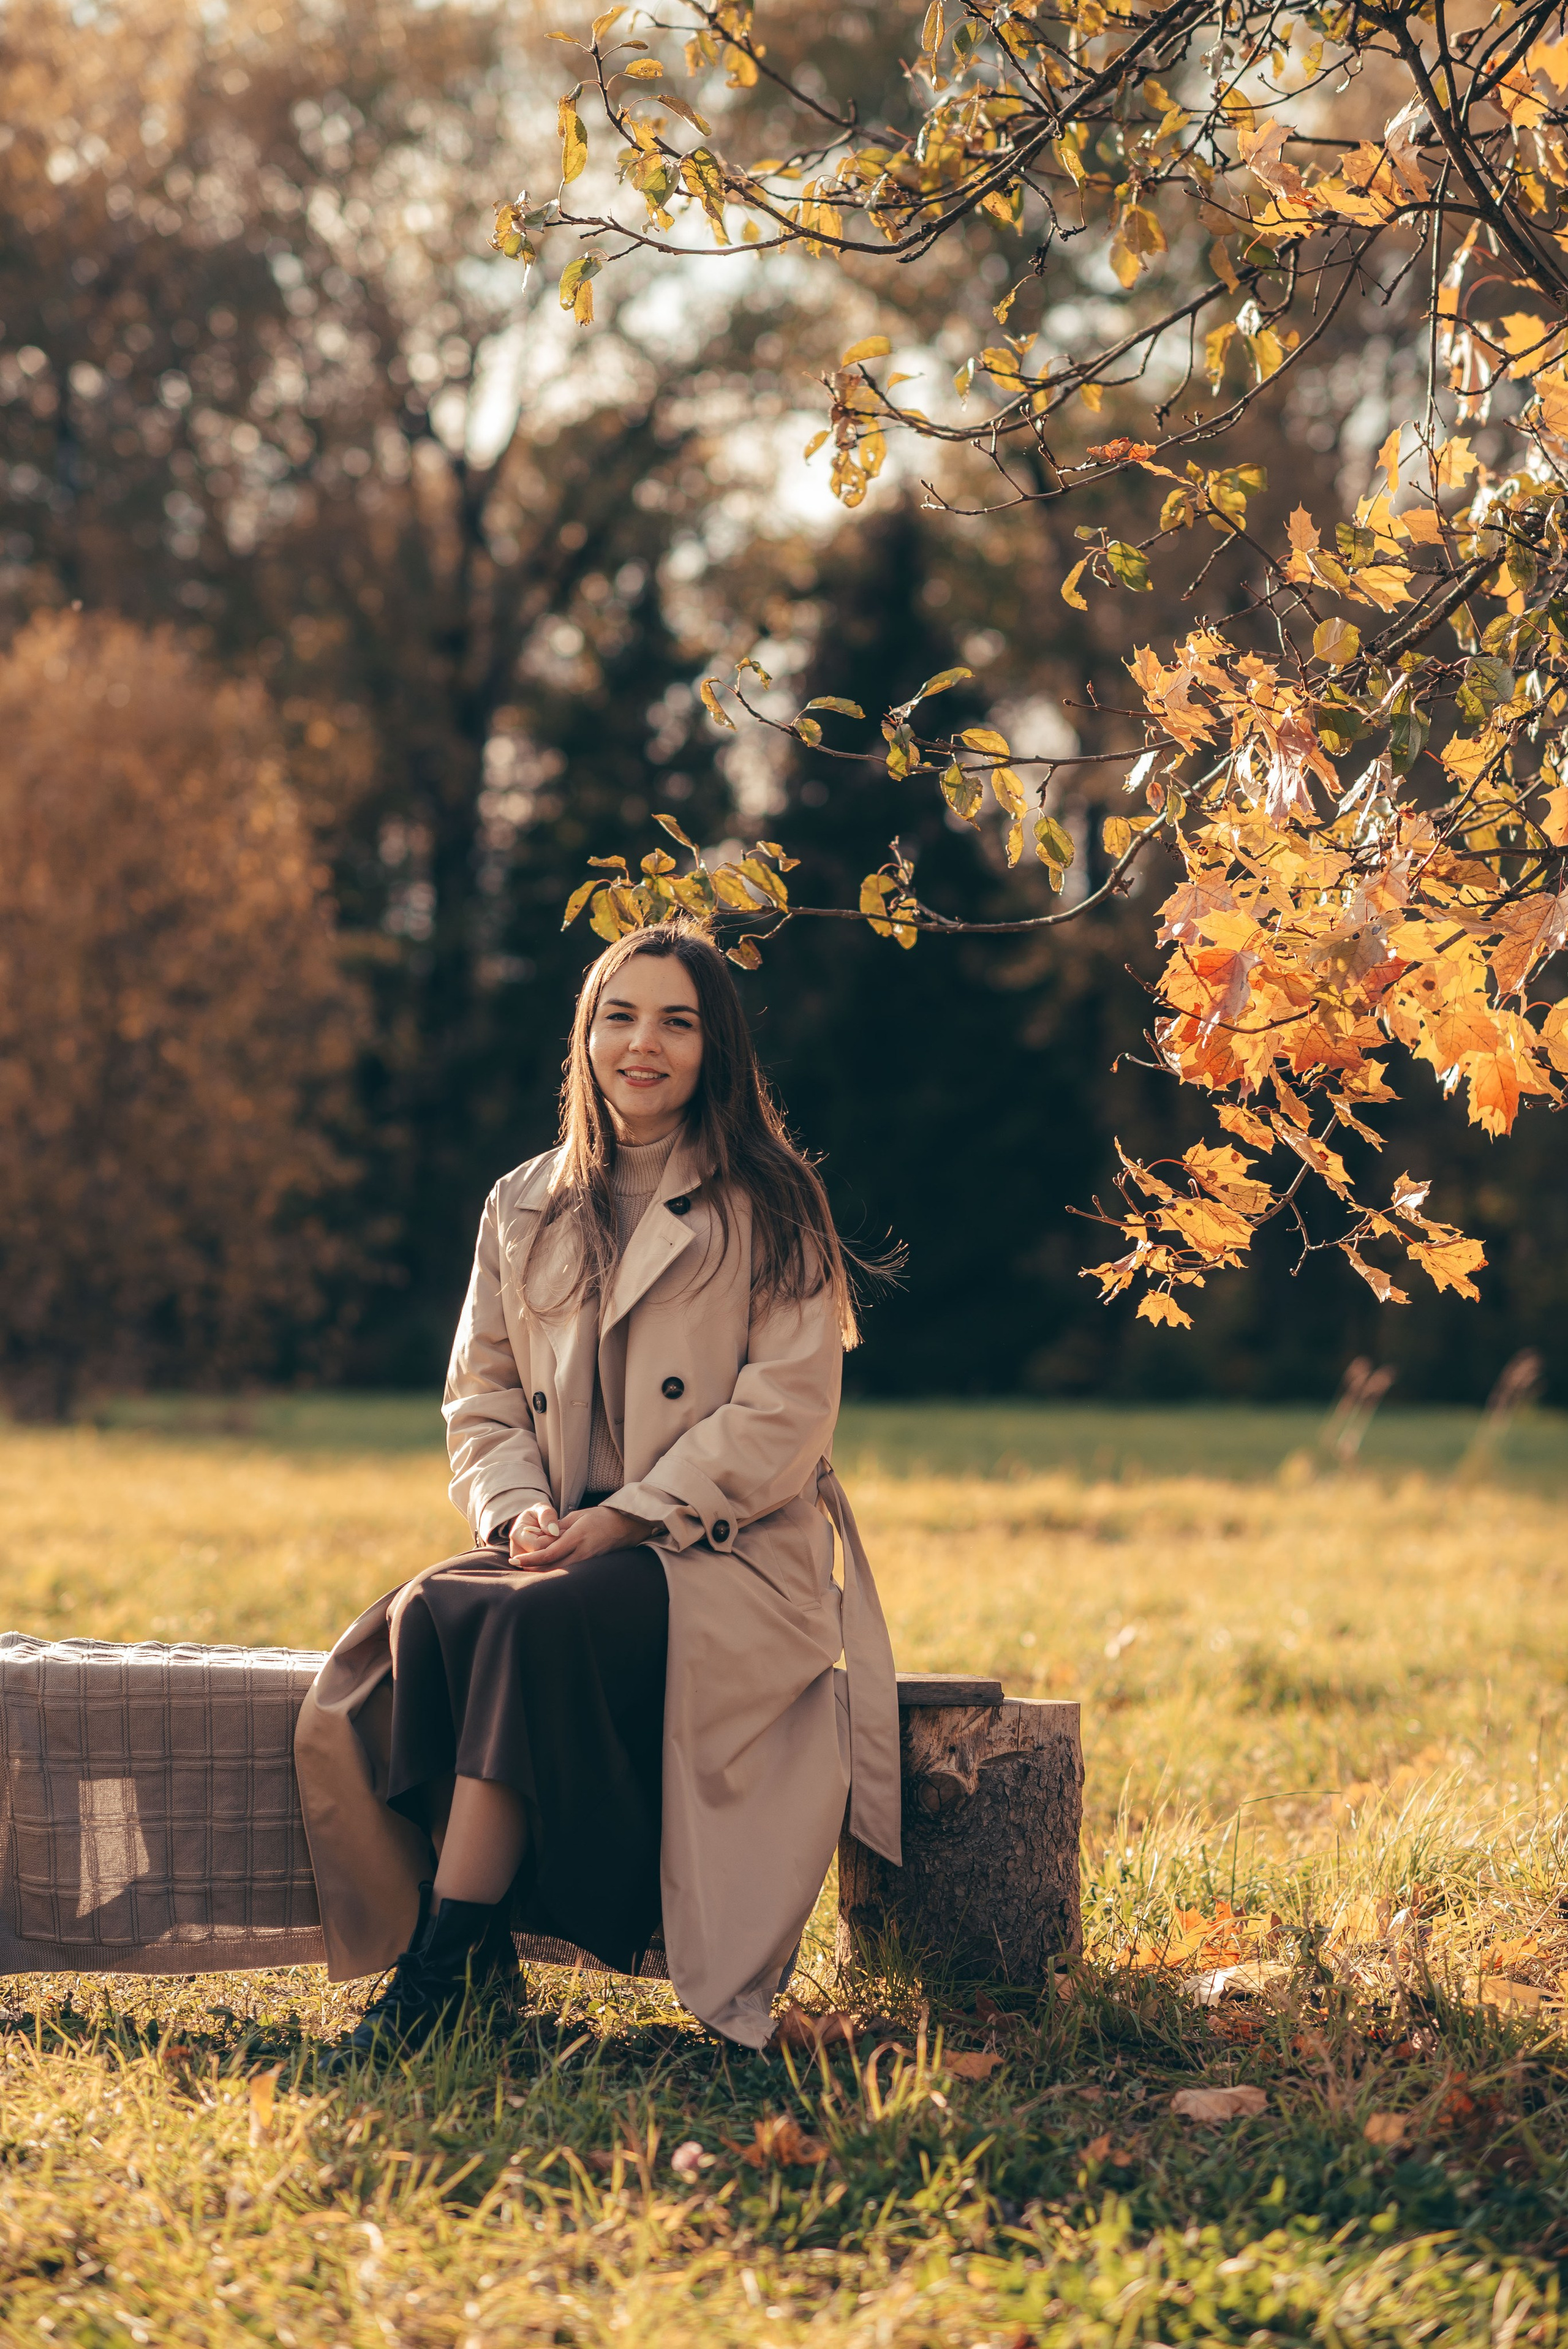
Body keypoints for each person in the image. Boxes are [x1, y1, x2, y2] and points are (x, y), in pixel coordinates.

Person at [293, 919, 902, 2056]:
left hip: (725, 1561)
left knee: (528, 1629)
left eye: (677, 1022)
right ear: (584, 1041)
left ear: (714, 1048)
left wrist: (627, 1518)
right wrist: (515, 1510)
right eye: (619, 1018)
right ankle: (473, 1967)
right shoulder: (522, 1204)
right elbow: (479, 1396)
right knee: (436, 1609)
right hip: (562, 1546)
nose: (645, 1045)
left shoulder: (774, 1202)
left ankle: (442, 1969)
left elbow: (786, 1412)